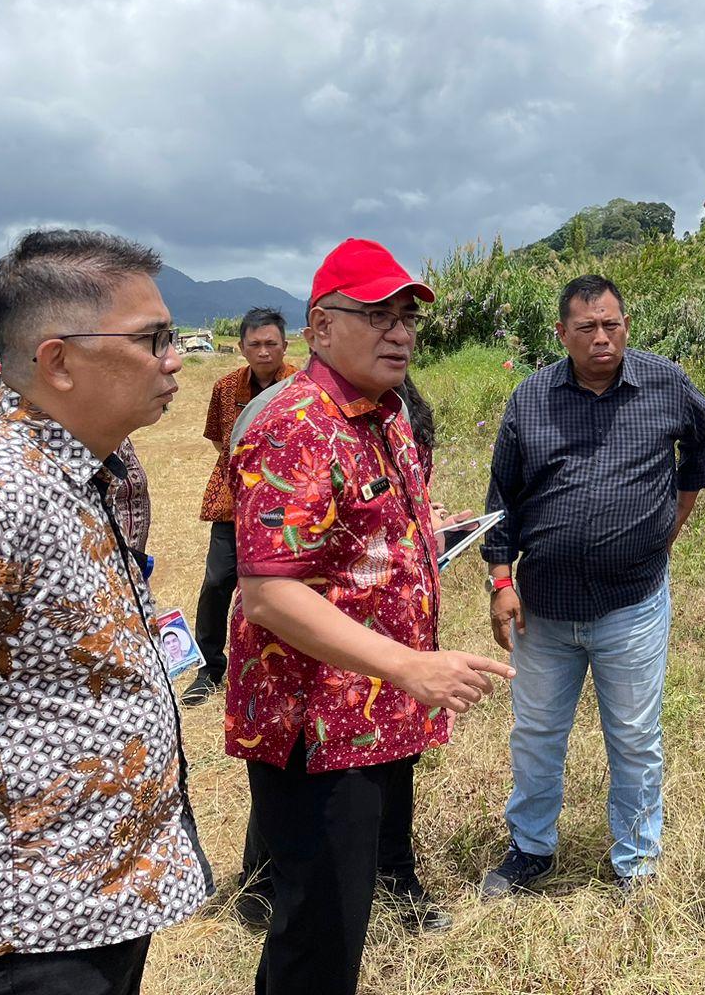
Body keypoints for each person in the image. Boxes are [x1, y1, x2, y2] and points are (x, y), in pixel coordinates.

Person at [0, 229, 209, 993]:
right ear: (58, 361)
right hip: (14, 936)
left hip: (87, 908)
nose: (174, 359)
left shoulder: (80, 470)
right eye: (153, 339)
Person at [225, 237, 513, 995]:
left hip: (369, 713)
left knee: (338, 925)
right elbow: (272, 593)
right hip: (317, 726)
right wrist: (413, 666)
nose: (401, 332)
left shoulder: (380, 416)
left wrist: (426, 534)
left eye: (407, 317)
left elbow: (355, 537)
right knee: (315, 939)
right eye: (376, 315)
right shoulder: (297, 422)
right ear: (319, 327)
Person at [480, 275, 705, 898]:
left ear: (626, 325)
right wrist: (501, 579)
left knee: (635, 735)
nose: (601, 337)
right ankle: (531, 848)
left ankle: (636, 861)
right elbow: (501, 496)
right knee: (535, 733)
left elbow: (702, 445)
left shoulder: (665, 384)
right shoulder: (530, 399)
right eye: (586, 328)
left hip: (630, 603)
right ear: (562, 334)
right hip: (544, 608)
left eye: (611, 324)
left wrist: (671, 521)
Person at [182, 308, 295, 707]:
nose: (264, 352)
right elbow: (219, 440)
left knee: (283, 584)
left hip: (288, 500)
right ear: (242, 347)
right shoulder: (225, 387)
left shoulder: (300, 386)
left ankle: (282, 666)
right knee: (217, 582)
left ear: (286, 345)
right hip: (234, 497)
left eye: (271, 344)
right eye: (255, 344)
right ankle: (210, 667)